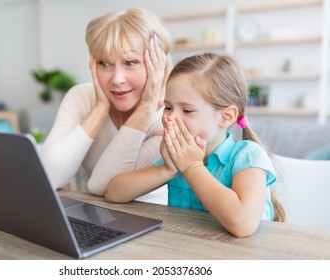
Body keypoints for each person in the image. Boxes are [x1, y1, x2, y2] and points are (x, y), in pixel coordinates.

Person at [105, 53, 285, 238]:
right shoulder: (178, 158)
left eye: (187, 110)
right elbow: (113, 192)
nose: (171, 117)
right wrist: (167, 169)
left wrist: (192, 167)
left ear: (226, 116)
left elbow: (242, 224)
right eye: (168, 107)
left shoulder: (247, 156)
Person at [40, 8, 172, 202]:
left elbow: (104, 186)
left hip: (157, 224)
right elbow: (48, 176)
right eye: (104, 64)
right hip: (95, 221)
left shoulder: (169, 115)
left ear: (157, 63)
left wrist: (146, 108)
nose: (117, 79)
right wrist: (100, 107)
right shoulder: (81, 97)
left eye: (130, 62)